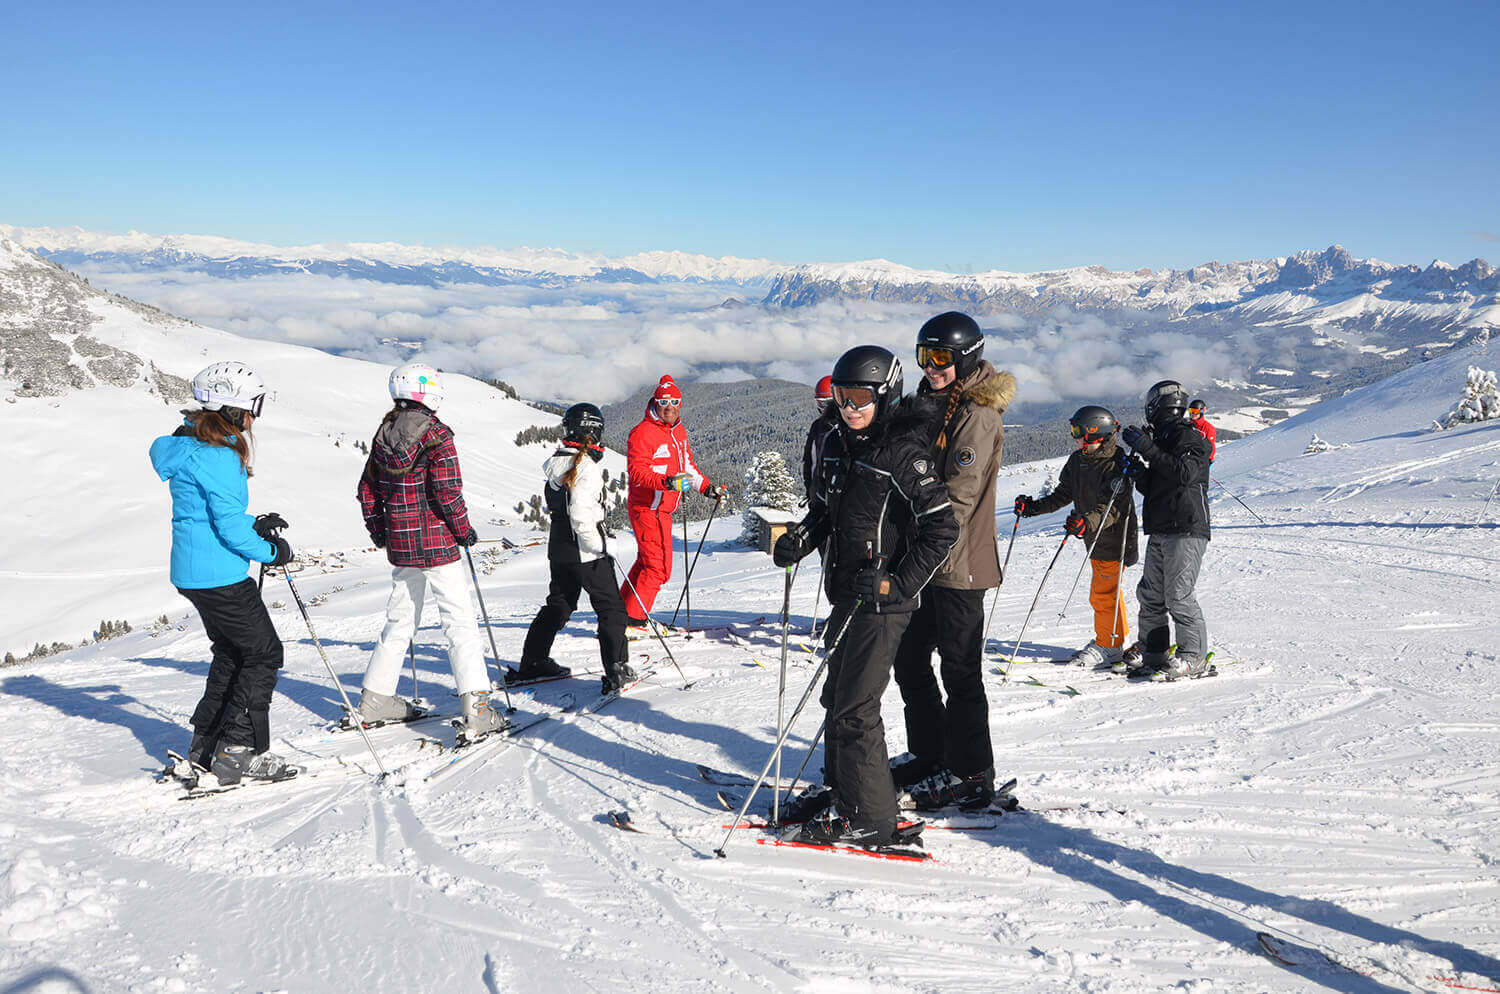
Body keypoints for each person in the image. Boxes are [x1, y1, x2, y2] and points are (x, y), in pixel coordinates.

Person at [772, 346, 960, 848]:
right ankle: (844, 792)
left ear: (885, 394)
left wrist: (897, 583)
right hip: (848, 594)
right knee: (837, 698)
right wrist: (800, 539)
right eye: (841, 395)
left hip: (885, 603)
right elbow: (827, 511)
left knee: (857, 707)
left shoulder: (904, 452)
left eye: (860, 396)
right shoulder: (841, 442)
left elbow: (943, 529)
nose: (850, 406)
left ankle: (871, 818)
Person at [890, 312, 1016, 812]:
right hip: (923, 558)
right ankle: (931, 755)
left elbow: (959, 498)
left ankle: (971, 772)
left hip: (958, 562)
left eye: (941, 358)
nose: (932, 367)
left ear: (965, 358)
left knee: (960, 671)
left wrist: (921, 533)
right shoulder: (931, 402)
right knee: (909, 661)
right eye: (925, 357)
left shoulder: (977, 415)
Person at [149, 361, 296, 786]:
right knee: (264, 654)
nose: (254, 418)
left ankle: (205, 746)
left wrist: (253, 524)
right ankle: (237, 753)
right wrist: (270, 550)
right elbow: (228, 527)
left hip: (193, 573)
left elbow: (211, 514)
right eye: (252, 407)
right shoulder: (220, 457)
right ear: (232, 409)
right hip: (221, 577)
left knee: (233, 653)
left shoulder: (187, 448)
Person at [356, 362, 505, 741]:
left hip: (402, 544)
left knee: (400, 618)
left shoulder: (383, 435)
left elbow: (367, 490)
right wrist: (463, 530)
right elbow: (447, 492)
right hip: (438, 543)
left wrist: (380, 531)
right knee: (459, 622)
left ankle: (376, 698)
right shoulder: (437, 435)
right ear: (430, 393)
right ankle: (478, 708)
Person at [517, 403, 638, 695]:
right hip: (586, 552)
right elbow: (582, 516)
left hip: (559, 549)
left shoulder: (558, 462)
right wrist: (599, 547)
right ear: (594, 431)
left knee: (559, 605)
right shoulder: (585, 467)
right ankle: (616, 669)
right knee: (612, 609)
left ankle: (533, 661)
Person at [1014, 405, 1138, 670]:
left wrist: (1086, 522)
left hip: (1116, 538)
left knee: (1102, 595)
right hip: (1094, 540)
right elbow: (1062, 494)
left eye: (1079, 432)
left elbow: (1113, 509)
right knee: (1107, 593)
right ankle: (1115, 643)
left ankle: (1109, 645)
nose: (1075, 438)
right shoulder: (1079, 460)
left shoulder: (1117, 464)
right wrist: (1032, 509)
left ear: (1097, 434)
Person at [1120, 380, 1213, 681]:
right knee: (1151, 594)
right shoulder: (1164, 437)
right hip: (1161, 526)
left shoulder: (1188, 436)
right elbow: (1159, 484)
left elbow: (1185, 474)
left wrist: (1147, 448)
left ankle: (1193, 658)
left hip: (1186, 526)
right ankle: (1154, 652)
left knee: (1179, 595)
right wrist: (1139, 472)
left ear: (1156, 406)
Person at [619, 375, 726, 625]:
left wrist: (707, 488)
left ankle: (621, 614)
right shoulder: (643, 432)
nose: (669, 406)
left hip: (661, 510)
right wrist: (667, 482)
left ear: (681, 403)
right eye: (664, 401)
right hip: (648, 508)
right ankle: (633, 622)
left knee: (648, 563)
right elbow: (637, 472)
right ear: (655, 403)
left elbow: (686, 464)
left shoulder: (677, 430)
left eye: (675, 401)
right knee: (658, 569)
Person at [801, 374, 840, 497]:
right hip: (820, 494)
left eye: (829, 403)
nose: (826, 409)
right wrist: (811, 492)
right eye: (821, 403)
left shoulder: (850, 426)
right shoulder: (818, 427)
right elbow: (809, 461)